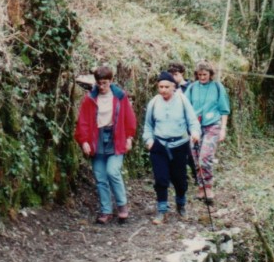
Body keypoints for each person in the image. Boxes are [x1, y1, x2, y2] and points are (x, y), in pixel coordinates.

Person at [74, 65, 137, 224]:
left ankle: (122, 206)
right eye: (99, 83)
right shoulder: (90, 98)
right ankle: (106, 210)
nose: (102, 87)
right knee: (100, 176)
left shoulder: (120, 96)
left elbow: (129, 118)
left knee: (112, 171)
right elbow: (83, 122)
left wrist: (129, 137)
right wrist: (84, 141)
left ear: (111, 81)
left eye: (105, 83)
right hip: (97, 138)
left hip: (116, 137)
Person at [142, 70, 200, 224]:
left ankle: (180, 205)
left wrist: (195, 133)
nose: (163, 90)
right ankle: (162, 210)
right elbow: (148, 125)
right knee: (161, 179)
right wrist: (149, 140)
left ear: (174, 86)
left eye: (166, 87)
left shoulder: (182, 100)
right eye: (160, 87)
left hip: (180, 145)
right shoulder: (154, 102)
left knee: (180, 180)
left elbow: (192, 121)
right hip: (159, 145)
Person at [184, 60, 230, 202]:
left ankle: (208, 186)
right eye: (199, 75)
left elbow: (224, 110)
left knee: (205, 157)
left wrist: (223, 129)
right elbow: (185, 107)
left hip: (212, 126)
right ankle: (200, 187)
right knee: (196, 158)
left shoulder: (217, 87)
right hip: (195, 128)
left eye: (205, 74)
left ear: (210, 74)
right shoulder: (191, 88)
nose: (202, 77)